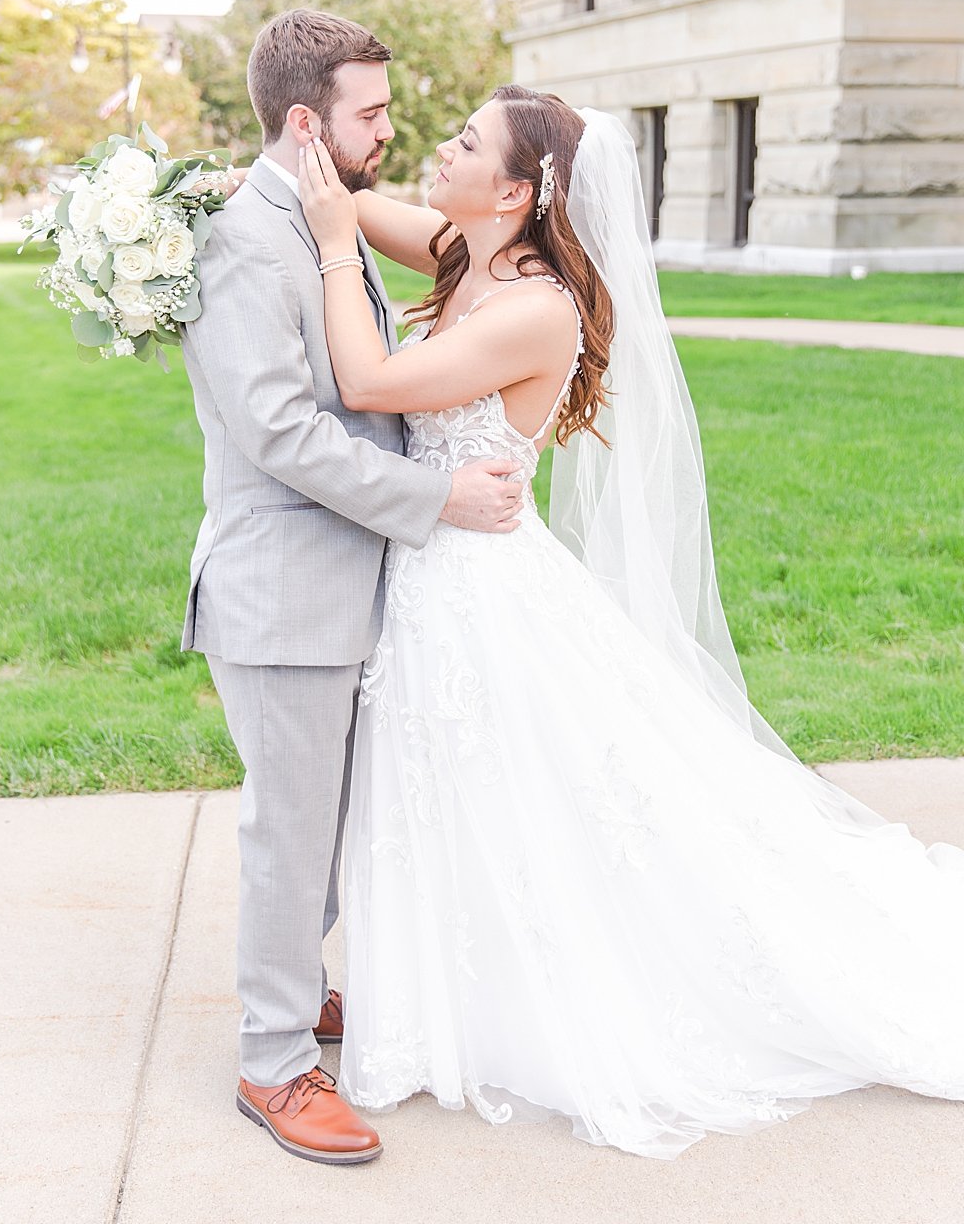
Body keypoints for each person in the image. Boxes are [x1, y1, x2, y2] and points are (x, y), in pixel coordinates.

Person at [296, 84, 964, 1158]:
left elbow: (367, 380)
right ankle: (439, 990)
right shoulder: (470, 255)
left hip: (474, 585)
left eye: (463, 141)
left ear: (514, 191)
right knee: (460, 790)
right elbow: (368, 208)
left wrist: (330, 246)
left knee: (512, 787)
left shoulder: (530, 306)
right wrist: (287, 171)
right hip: (440, 569)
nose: (438, 146)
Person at [178, 9, 530, 1166]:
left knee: (327, 825)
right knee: (290, 832)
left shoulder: (304, 216)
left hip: (342, 577)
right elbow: (279, 430)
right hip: (283, 587)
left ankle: (295, 992)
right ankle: (273, 1063)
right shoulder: (249, 239)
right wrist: (432, 503)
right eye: (369, 115)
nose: (388, 131)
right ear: (304, 122)